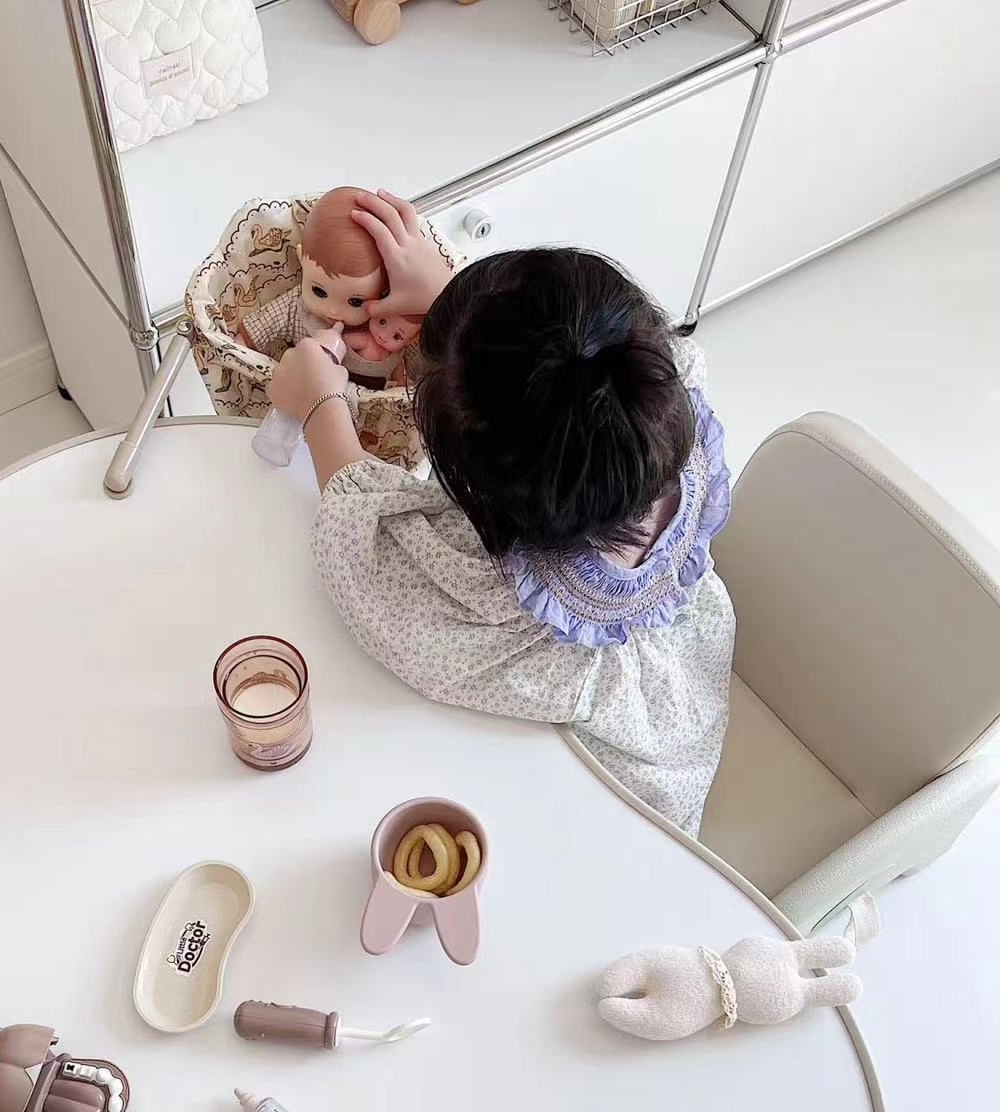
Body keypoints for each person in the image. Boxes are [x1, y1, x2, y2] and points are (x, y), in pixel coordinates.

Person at [266, 189, 734, 834]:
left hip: (621, 811)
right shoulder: (660, 391)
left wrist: (321, 406)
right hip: (688, 712)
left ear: (476, 491)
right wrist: (455, 306)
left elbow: (364, 556)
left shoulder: (494, 597)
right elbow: (567, 391)